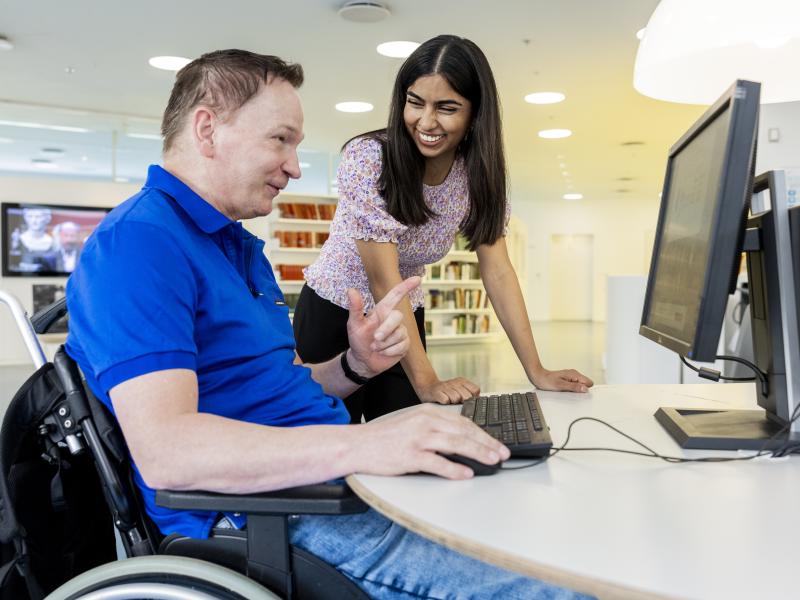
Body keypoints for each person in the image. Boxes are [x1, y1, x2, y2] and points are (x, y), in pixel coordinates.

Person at [65, 50, 590, 600]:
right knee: (556, 587)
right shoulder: (139, 244)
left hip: (327, 486)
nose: (295, 167)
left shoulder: (235, 247)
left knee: (542, 530)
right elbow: (168, 453)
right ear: (207, 129)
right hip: (271, 516)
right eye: (280, 140)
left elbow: (284, 385)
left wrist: (355, 365)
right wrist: (364, 443)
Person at [295, 35, 594, 424]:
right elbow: (384, 279)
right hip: (334, 313)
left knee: (406, 437)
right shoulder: (368, 158)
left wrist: (536, 370)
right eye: (415, 102)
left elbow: (499, 272)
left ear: (475, 114)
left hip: (403, 320)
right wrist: (427, 382)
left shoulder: (477, 176)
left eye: (446, 107)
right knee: (330, 440)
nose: (426, 122)